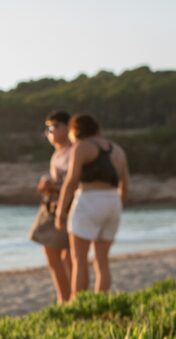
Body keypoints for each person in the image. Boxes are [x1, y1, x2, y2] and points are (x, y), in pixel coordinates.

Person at [55, 114, 130, 300]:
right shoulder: (117, 150)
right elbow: (126, 184)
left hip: (89, 199)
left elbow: (71, 181)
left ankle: (79, 304)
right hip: (113, 202)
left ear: (75, 130)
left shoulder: (82, 147)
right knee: (102, 261)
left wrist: (60, 212)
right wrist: (118, 205)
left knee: (79, 259)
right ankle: (100, 302)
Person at [29, 110, 72, 303]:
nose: (50, 132)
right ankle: (64, 297)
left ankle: (71, 298)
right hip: (52, 206)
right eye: (47, 128)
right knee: (51, 251)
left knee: (69, 256)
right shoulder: (57, 153)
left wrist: (53, 185)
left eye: (54, 127)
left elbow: (74, 183)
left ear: (68, 127)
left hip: (68, 207)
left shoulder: (75, 150)